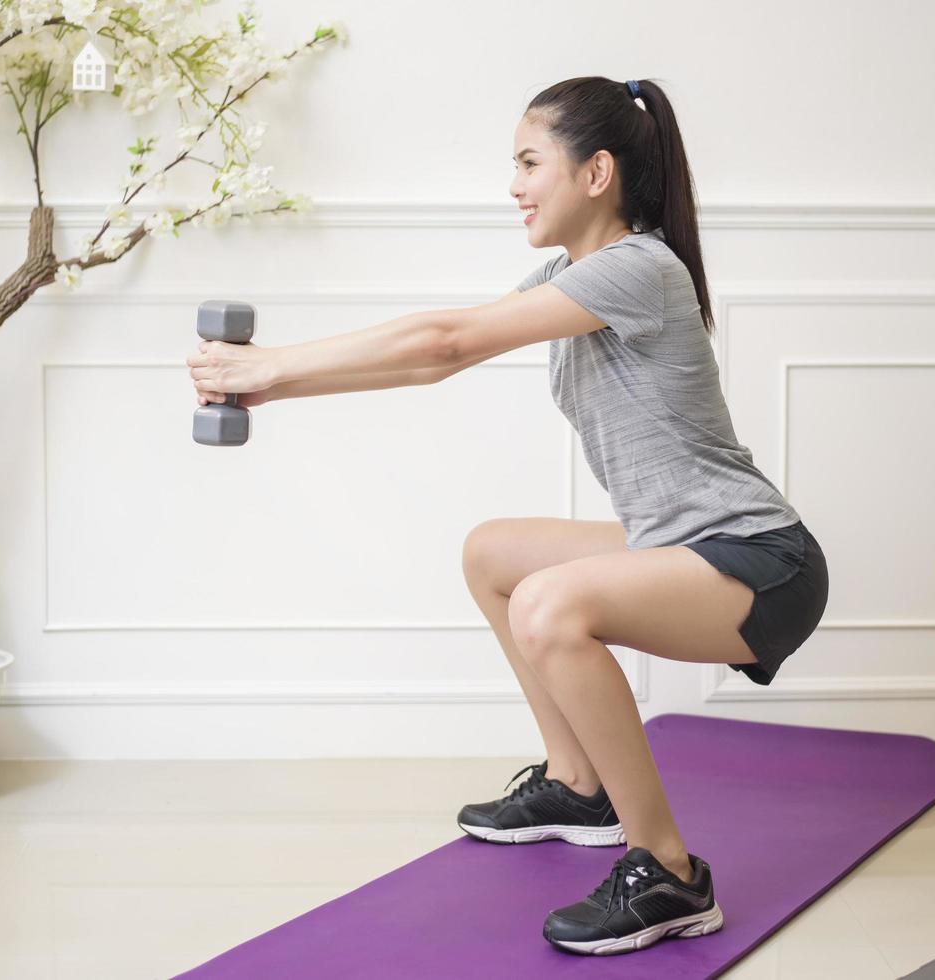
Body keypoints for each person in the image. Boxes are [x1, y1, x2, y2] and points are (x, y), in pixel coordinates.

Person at [186, 75, 830, 957]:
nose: (514, 184)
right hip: (685, 548)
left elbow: (442, 339)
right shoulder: (566, 278)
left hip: (764, 564)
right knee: (496, 556)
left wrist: (269, 366)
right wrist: (275, 383)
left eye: (530, 162)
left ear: (596, 171)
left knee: (548, 604)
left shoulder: (641, 268)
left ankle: (669, 871)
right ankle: (577, 785)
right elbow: (429, 365)